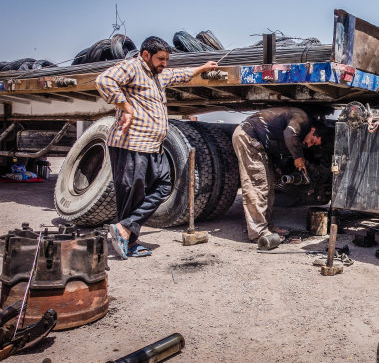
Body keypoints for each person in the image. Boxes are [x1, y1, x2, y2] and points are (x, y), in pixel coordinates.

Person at [95, 36, 218, 259]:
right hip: (131, 144)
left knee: (163, 185)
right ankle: (129, 241)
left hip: (151, 146)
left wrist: (203, 68)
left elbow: (180, 74)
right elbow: (104, 81)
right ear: (145, 55)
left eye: (166, 59)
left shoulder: (157, 75)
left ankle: (125, 228)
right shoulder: (132, 67)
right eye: (160, 59)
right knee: (133, 194)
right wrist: (126, 107)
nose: (164, 63)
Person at [232, 107, 325, 243]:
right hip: (249, 136)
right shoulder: (302, 118)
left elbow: (275, 142)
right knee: (257, 186)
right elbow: (289, 134)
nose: (309, 145)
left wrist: (275, 166)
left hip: (260, 144)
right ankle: (258, 233)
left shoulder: (301, 130)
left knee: (269, 186)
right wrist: (298, 157)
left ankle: (268, 226)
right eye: (312, 140)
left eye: (312, 145)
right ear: (312, 130)